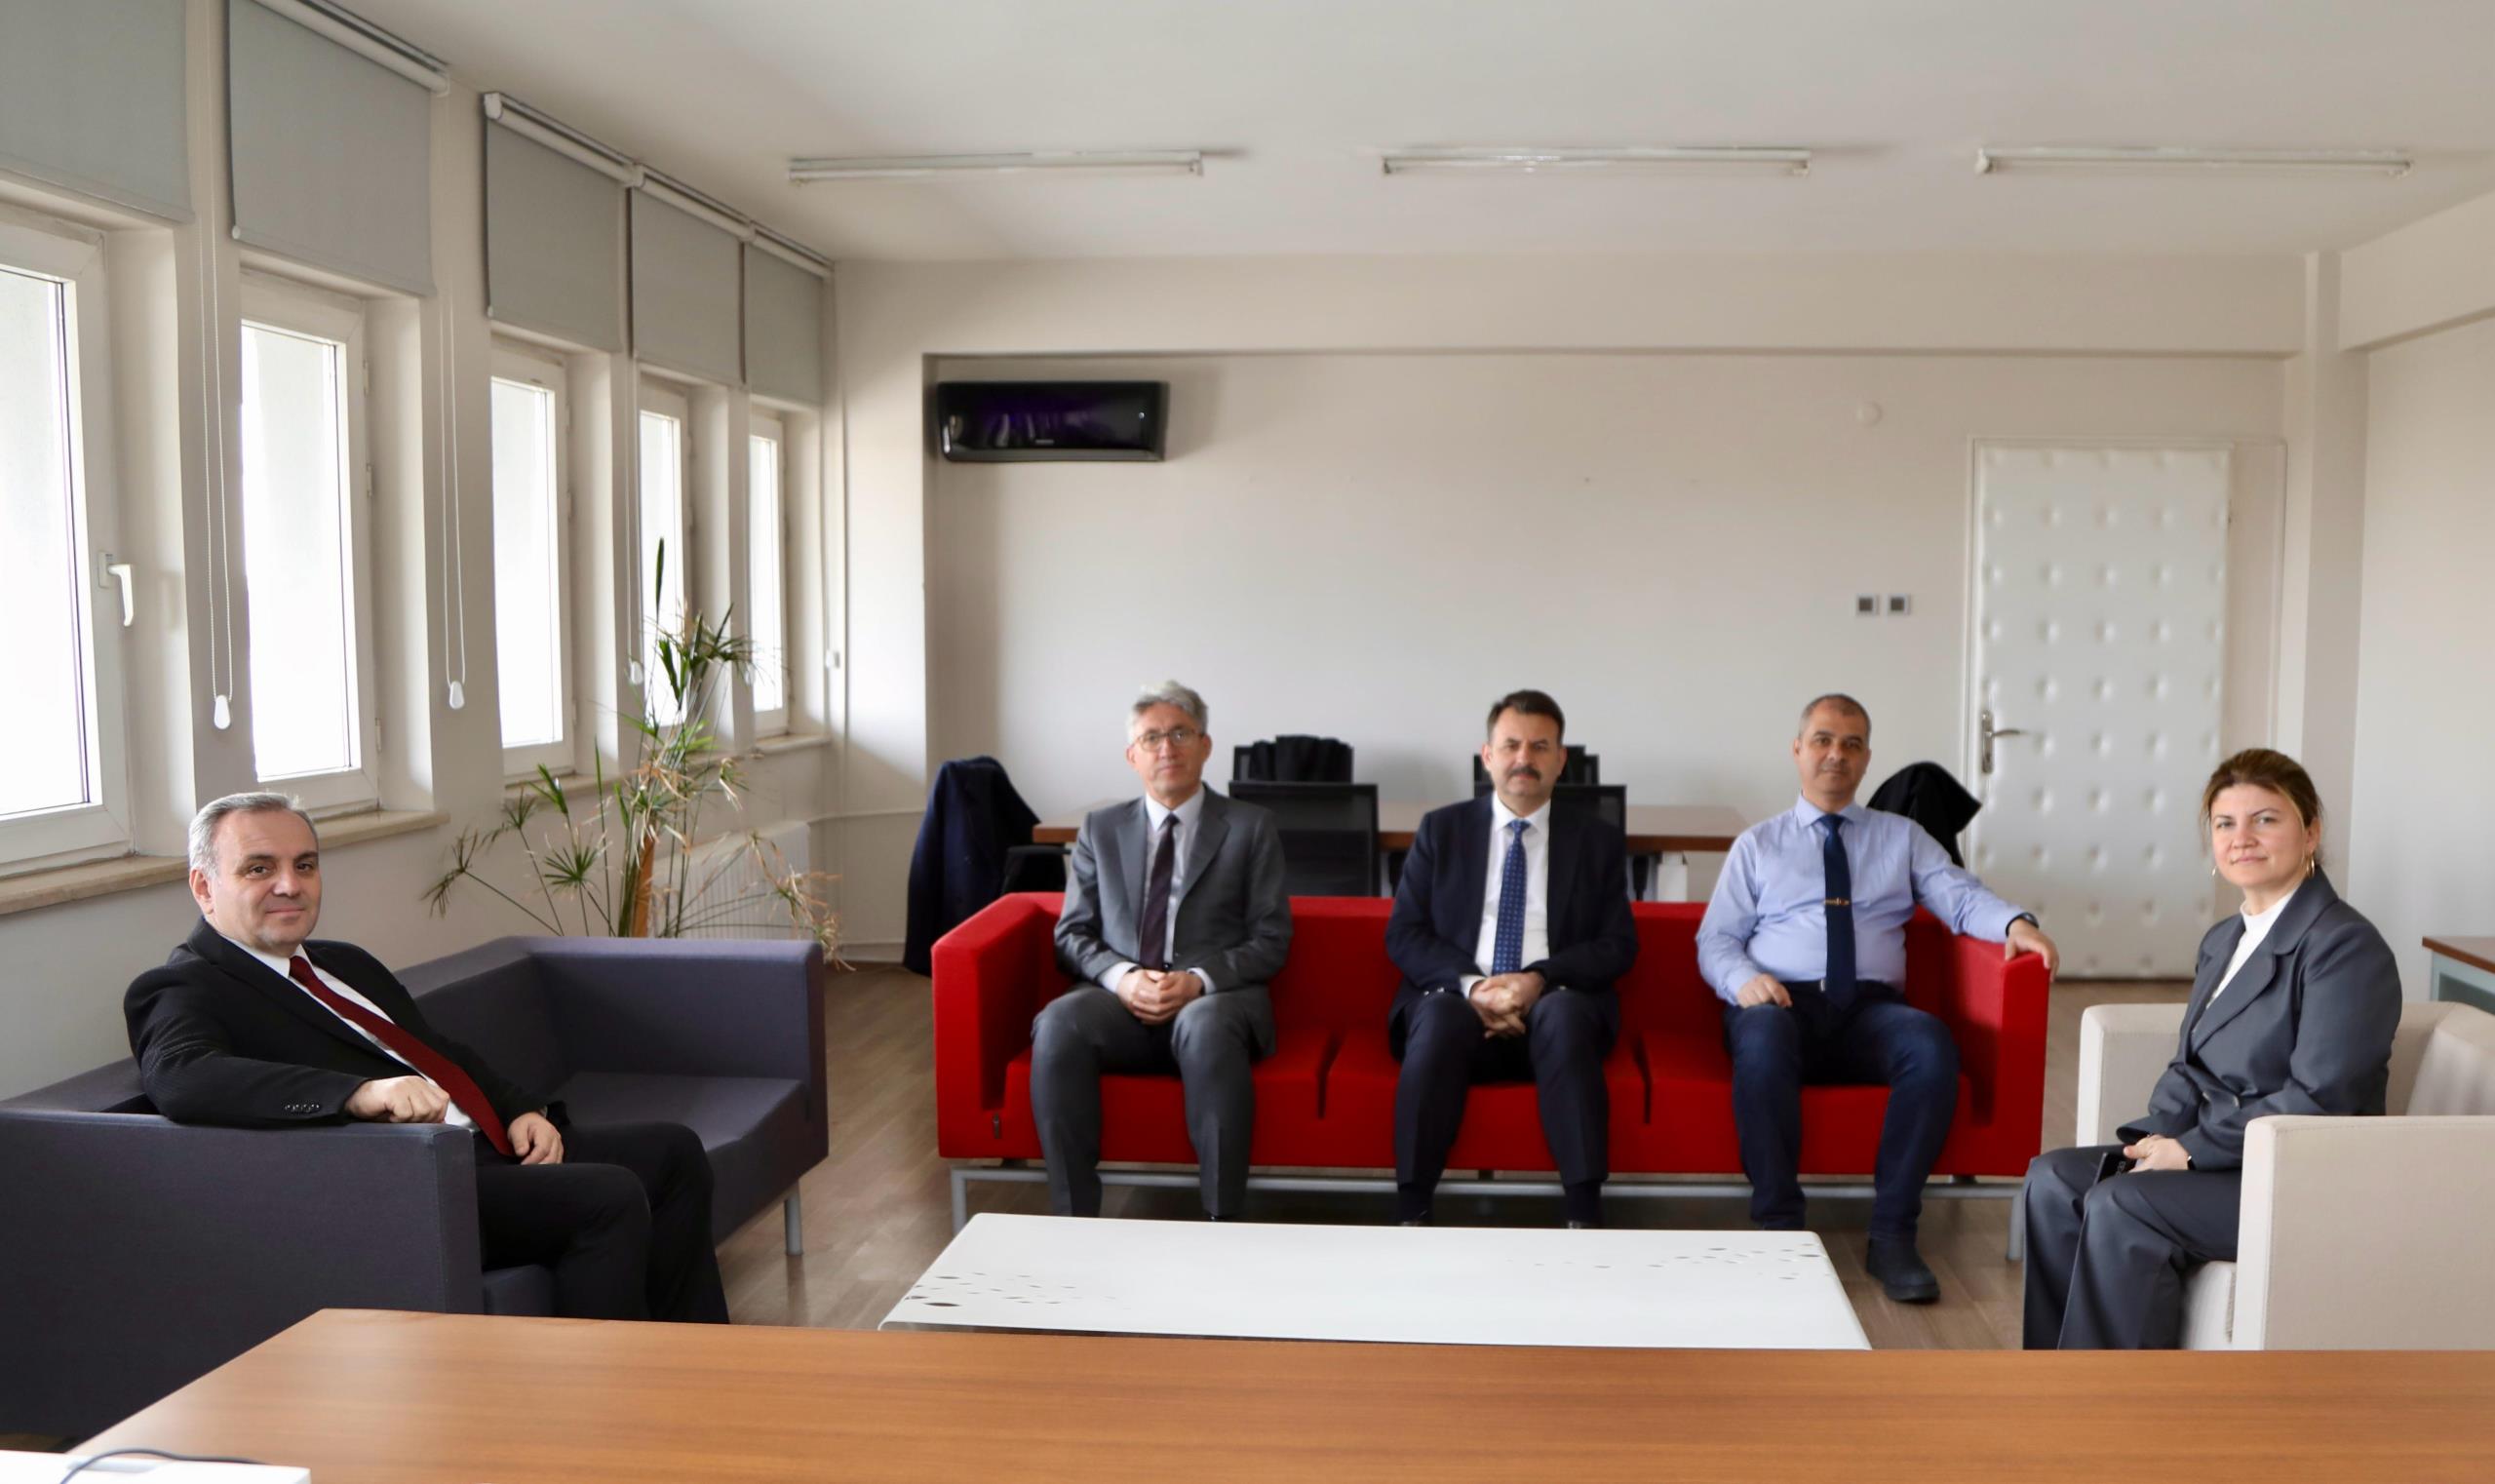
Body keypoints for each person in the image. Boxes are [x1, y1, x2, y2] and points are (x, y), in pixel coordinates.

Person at [125, 792, 728, 1323]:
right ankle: (606, 1396)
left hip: (489, 1149)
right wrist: (359, 1094)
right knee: (607, 1196)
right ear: (204, 887)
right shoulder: (185, 985)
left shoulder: (344, 963)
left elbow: (439, 1054)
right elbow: (182, 1077)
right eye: (259, 868)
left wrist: (521, 1109)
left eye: (304, 865)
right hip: (412, 1183)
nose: (290, 884)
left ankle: (698, 1358)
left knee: (672, 1152)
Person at [2022, 748, 2400, 1348]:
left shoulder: (2345, 947)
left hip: (2297, 1174)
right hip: (2224, 1157)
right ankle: (2053, 1381)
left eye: (2265, 820)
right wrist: (2156, 1137)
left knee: (2124, 1203)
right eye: (2226, 823)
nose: (2241, 838)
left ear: (2311, 833)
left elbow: (2321, 1097)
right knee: (2052, 1180)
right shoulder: (2225, 939)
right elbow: (2188, 1065)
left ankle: (2114, 1398)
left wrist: (2191, 1150)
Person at [1697, 693, 2059, 1302]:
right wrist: (1743, 981)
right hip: (1780, 1004)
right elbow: (1716, 939)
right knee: (1760, 1036)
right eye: (1822, 740)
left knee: (1930, 1044)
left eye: (1852, 744)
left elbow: (1958, 894)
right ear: (1797, 750)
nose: (1836, 754)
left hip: (1869, 1011)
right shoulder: (1758, 845)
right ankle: (1779, 1230)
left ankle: (1892, 1234)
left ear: (1867, 758)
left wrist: (2014, 923)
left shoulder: (1902, 838)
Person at [1038, 681, 1293, 1219]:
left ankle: (1222, 1220)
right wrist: (1124, 977)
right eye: (1151, 738)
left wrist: (1198, 980)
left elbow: (1271, 939)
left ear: (1205, 744)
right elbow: (1072, 933)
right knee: (1059, 1022)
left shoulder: (1251, 827)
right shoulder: (1100, 829)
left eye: (1180, 733)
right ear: (1132, 755)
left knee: (1206, 1024)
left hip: (1214, 1001)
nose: (1166, 748)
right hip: (1120, 1002)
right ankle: (1072, 1220)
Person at [1386, 689, 1637, 1229]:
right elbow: (1405, 934)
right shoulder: (1441, 830)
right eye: (1511, 745)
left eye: (1540, 747)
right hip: (1459, 998)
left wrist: (1538, 979)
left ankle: (1584, 1216)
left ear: (1561, 759)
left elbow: (1617, 944)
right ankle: (1412, 1211)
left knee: (1564, 1014)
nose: (1524, 758)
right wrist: (1474, 986)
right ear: (1488, 755)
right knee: (1439, 1016)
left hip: (1554, 1001)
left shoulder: (1596, 840)